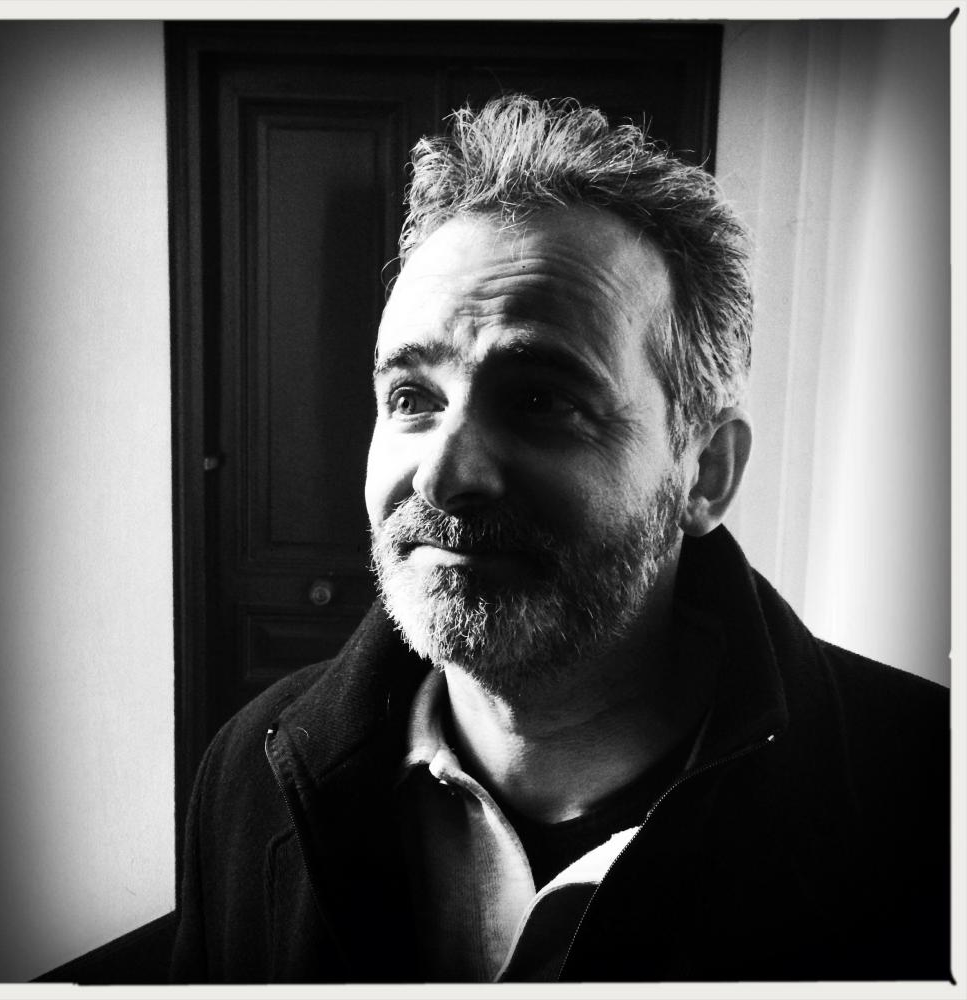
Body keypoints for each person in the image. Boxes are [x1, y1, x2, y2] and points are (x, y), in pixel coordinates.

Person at [170, 94, 950, 983]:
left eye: (540, 399)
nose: (442, 475)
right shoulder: (248, 773)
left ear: (706, 473)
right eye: (412, 399)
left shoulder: (930, 804)